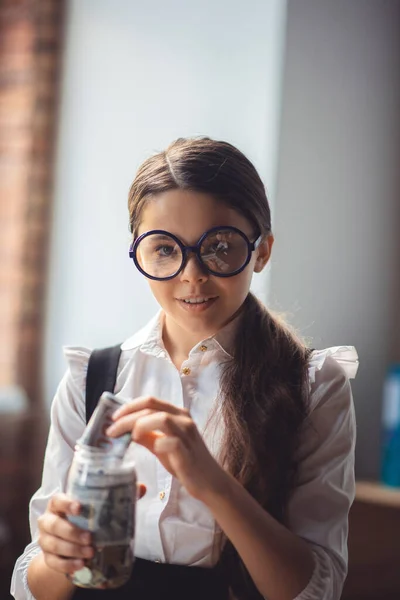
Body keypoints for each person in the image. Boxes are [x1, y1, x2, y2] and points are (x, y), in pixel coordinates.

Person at [11, 137, 358, 600]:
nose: (191, 274)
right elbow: (34, 585)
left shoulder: (314, 386)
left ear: (262, 250)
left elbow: (317, 589)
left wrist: (212, 483)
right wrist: (58, 554)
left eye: (218, 247)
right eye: (164, 249)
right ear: (138, 253)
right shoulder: (91, 379)